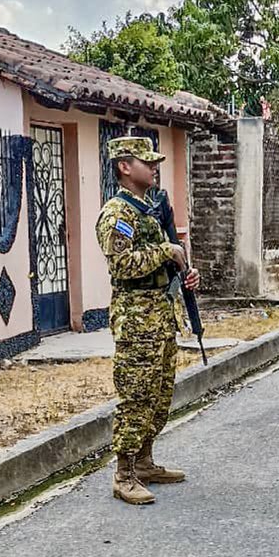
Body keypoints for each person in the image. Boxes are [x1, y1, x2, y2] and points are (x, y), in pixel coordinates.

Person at [95, 136, 201, 505]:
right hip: (136, 317)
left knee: (159, 394)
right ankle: (123, 473)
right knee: (136, 395)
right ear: (125, 166)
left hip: (160, 312)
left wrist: (184, 270)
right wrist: (165, 251)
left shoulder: (149, 209)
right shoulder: (117, 214)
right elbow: (121, 264)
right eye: (146, 161)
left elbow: (165, 259)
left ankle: (144, 461)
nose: (154, 167)